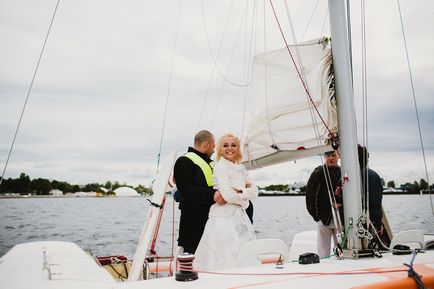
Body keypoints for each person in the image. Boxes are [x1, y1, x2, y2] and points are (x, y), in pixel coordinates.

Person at [194, 133, 258, 270]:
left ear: (238, 148)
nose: (230, 148)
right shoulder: (220, 166)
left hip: (239, 217)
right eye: (225, 145)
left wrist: (240, 191)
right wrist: (245, 200)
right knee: (224, 256)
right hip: (223, 218)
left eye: (234, 145)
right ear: (220, 149)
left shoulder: (241, 168)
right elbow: (228, 196)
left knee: (242, 253)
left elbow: (255, 191)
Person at [174, 130, 226, 254]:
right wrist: (213, 194)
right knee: (193, 254)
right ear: (206, 144)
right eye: (213, 146)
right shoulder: (184, 161)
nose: (214, 150)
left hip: (212, 219)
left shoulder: (212, 164)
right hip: (193, 223)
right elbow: (187, 191)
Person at [305, 150, 342, 257]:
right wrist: (316, 216)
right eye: (328, 156)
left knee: (341, 250)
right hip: (323, 217)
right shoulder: (318, 173)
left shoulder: (343, 171)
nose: (330, 158)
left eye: (333, 155)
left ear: (338, 156)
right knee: (323, 252)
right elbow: (310, 196)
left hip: (341, 217)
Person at [357, 145, 390, 247]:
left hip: (361, 227)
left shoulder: (350, 177)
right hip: (377, 222)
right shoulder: (375, 176)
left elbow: (338, 203)